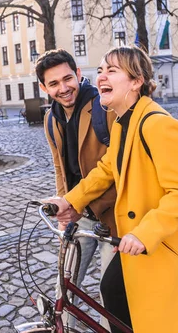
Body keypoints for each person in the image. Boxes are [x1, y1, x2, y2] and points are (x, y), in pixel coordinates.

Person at [47, 46, 178, 333]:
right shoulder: (123, 122)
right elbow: (107, 169)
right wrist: (70, 201)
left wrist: (144, 233)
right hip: (147, 235)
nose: (101, 75)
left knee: (157, 308)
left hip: (174, 237)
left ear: (136, 81)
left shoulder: (159, 125)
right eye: (101, 70)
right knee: (114, 290)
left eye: (112, 70)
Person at [36, 49, 117, 323]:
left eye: (67, 78)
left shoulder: (104, 108)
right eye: (54, 83)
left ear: (79, 74)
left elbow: (115, 166)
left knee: (110, 295)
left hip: (113, 217)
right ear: (44, 88)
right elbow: (61, 168)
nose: (63, 88)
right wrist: (63, 211)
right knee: (64, 288)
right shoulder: (51, 119)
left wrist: (74, 201)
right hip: (79, 216)